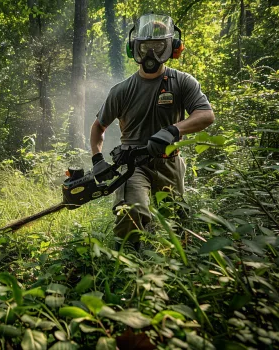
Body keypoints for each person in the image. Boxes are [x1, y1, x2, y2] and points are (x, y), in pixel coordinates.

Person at [90, 13, 215, 249]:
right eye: (145, 47)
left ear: (171, 48)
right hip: (133, 164)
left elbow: (206, 115)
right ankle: (125, 267)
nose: (151, 54)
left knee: (176, 224)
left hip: (170, 161)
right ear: (134, 48)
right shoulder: (121, 90)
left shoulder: (182, 82)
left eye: (158, 47)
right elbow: (99, 127)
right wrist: (97, 159)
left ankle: (172, 272)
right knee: (132, 213)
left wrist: (174, 130)